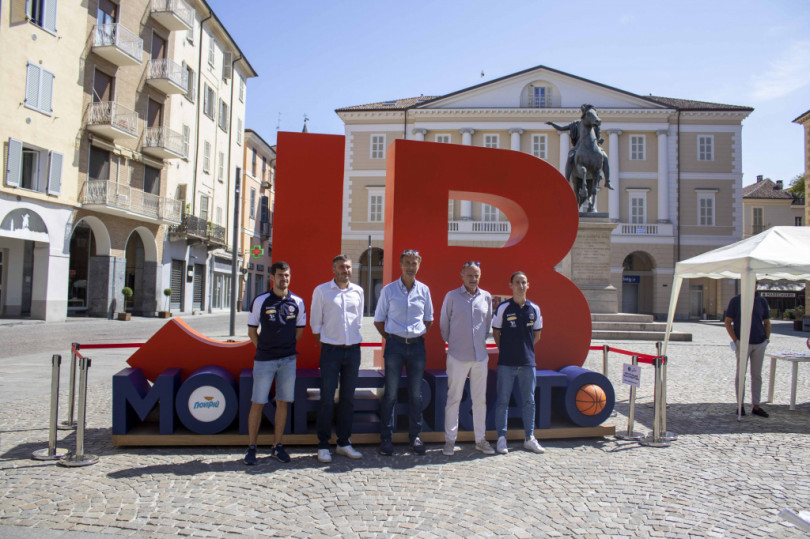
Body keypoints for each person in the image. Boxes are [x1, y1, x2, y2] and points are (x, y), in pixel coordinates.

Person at [244, 261, 306, 465]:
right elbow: (252, 331)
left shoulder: (297, 301)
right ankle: (251, 447)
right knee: (258, 403)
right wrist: (263, 348)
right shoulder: (260, 301)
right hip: (264, 360)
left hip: (288, 360)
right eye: (280, 275)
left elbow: (299, 330)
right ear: (273, 277)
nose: (284, 279)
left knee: (282, 403)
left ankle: (277, 446)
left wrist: (286, 348)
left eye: (287, 275)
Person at [374, 249, 434, 456]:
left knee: (416, 394)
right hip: (395, 347)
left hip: (417, 347)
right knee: (390, 393)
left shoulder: (424, 290)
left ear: (419, 265)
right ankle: (386, 439)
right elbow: (378, 319)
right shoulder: (389, 291)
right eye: (407, 263)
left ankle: (414, 437)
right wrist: (391, 337)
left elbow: (429, 319)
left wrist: (415, 335)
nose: (410, 267)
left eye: (414, 263)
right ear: (401, 265)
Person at [310, 255, 365, 463]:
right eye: (342, 267)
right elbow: (315, 324)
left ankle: (344, 443)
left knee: (348, 399)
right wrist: (329, 341)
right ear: (333, 269)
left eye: (348, 267)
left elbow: (358, 320)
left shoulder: (358, 291)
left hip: (353, 351)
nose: (346, 270)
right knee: (326, 399)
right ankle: (323, 445)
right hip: (330, 352)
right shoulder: (322, 291)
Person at [440, 261, 494, 456]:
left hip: (480, 356)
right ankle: (449, 440)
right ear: (462, 275)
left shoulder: (486, 297)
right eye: (470, 275)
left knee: (480, 400)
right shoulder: (452, 297)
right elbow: (444, 323)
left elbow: (487, 325)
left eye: (477, 275)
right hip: (457, 355)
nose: (473, 279)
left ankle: (480, 439)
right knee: (454, 398)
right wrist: (454, 343)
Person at [492, 271, 545, 455]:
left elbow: (536, 336)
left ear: (528, 285)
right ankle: (501, 438)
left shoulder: (534, 309)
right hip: (506, 362)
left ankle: (529, 438)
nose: (520, 286)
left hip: (528, 362)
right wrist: (507, 349)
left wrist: (524, 349)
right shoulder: (503, 308)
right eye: (517, 282)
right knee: (502, 401)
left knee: (529, 401)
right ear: (510, 286)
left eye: (523, 282)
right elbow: (496, 332)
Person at [724, 289, 771, 417]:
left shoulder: (761, 301)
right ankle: (740, 405)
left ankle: (756, 405)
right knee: (741, 374)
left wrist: (766, 339)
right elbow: (728, 322)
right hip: (743, 343)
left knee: (757, 375)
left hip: (759, 342)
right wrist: (736, 341)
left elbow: (767, 322)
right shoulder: (736, 300)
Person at [546, 104, 612, 190]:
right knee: (570, 156)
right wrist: (553, 124)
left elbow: (598, 137)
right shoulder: (576, 124)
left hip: (593, 146)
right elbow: (562, 128)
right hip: (579, 146)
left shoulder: (594, 126)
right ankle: (566, 180)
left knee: (605, 157)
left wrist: (599, 140)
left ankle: (607, 181)